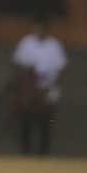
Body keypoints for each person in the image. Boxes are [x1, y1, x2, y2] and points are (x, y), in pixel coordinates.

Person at [10, 14, 66, 155]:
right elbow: (17, 64)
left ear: (47, 29)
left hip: (48, 92)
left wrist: (50, 87)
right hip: (30, 92)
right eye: (36, 28)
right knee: (26, 124)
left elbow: (62, 70)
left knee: (46, 125)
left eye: (41, 28)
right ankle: (26, 153)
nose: (39, 31)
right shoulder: (26, 43)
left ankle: (43, 155)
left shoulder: (55, 46)